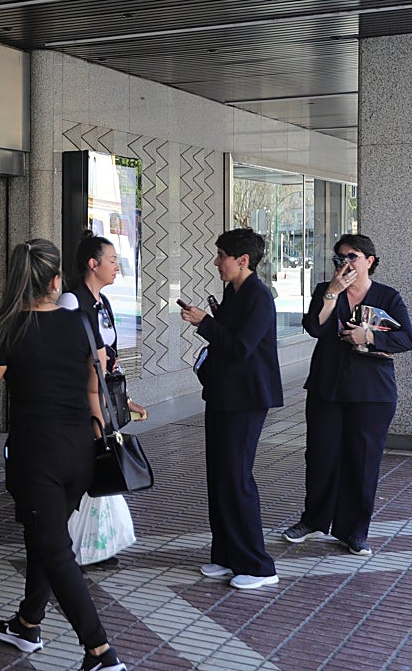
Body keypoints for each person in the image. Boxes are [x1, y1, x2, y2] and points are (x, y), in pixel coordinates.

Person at [0, 238, 127, 671]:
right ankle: (27, 624)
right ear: (55, 280)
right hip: (79, 451)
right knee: (44, 536)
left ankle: (100, 653)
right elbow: (94, 387)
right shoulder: (82, 322)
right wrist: (98, 429)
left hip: (36, 455)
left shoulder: (8, 329)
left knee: (55, 550)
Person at [283, 233, 412, 556]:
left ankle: (354, 531)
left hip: (372, 393)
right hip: (327, 387)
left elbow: (407, 339)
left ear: (370, 260)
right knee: (320, 457)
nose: (345, 262)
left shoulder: (388, 296)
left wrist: (367, 336)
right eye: (340, 257)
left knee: (362, 461)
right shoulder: (325, 290)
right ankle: (314, 520)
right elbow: (314, 327)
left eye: (352, 256)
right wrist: (333, 292)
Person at [179, 228, 282, 590]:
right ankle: (225, 555)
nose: (217, 262)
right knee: (220, 475)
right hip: (224, 394)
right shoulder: (233, 292)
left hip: (247, 399)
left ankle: (258, 566)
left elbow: (241, 347)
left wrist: (205, 323)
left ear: (243, 260)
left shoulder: (259, 296)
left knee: (237, 478)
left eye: (222, 255)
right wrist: (213, 320)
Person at [60, 231, 143, 570]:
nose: (117, 267)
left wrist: (125, 398)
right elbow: (69, 357)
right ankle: (66, 547)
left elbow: (110, 357)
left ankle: (93, 547)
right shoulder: (71, 301)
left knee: (99, 468)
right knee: (85, 469)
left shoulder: (103, 303)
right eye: (112, 260)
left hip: (100, 397)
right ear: (93, 264)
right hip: (79, 401)